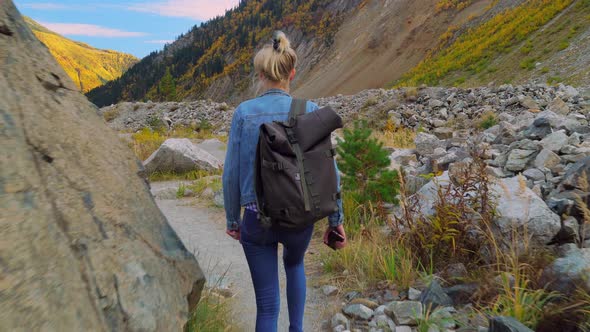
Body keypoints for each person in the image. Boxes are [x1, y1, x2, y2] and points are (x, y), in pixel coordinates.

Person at [222, 31, 347, 332]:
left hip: (256, 215)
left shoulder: (243, 113)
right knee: (294, 266)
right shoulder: (310, 111)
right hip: (299, 214)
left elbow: (231, 174)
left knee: (266, 306)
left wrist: (233, 220)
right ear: (292, 73)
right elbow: (330, 171)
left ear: (261, 74)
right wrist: (335, 219)